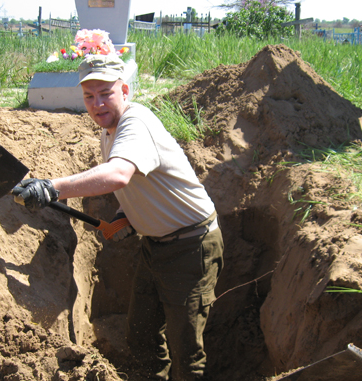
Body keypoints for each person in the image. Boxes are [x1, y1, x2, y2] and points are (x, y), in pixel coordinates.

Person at [12, 55, 224, 381]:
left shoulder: (135, 124)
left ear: (124, 90)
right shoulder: (109, 130)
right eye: (89, 96)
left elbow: (119, 175)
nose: (97, 104)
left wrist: (52, 188)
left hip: (192, 248)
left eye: (106, 93)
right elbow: (141, 182)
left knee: (186, 348)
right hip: (156, 247)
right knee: (141, 333)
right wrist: (125, 216)